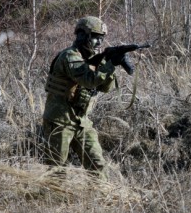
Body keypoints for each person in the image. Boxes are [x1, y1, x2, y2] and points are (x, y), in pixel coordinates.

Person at [40, 16, 127, 180]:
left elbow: (105, 88)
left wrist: (110, 63)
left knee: (97, 164)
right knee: (55, 169)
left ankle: (102, 197)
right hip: (60, 120)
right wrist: (109, 65)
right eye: (95, 38)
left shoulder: (94, 58)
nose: (99, 43)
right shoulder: (69, 56)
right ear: (82, 35)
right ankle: (51, 199)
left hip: (82, 122)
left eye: (101, 39)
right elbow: (88, 80)